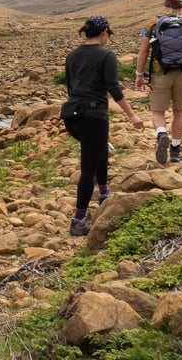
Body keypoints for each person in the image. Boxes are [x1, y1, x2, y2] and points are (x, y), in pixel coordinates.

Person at [63, 15, 145, 236]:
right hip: (94, 116)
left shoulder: (72, 55)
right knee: (88, 168)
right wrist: (132, 115)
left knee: (99, 150)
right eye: (108, 34)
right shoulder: (106, 55)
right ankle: (78, 220)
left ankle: (104, 192)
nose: (108, 37)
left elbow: (70, 87)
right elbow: (113, 88)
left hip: (72, 117)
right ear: (104, 33)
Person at [135, 0, 182, 164]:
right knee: (179, 112)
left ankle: (161, 133)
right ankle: (175, 151)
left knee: (158, 112)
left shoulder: (152, 23)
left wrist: (139, 74)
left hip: (160, 74)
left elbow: (144, 51)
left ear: (165, 3)